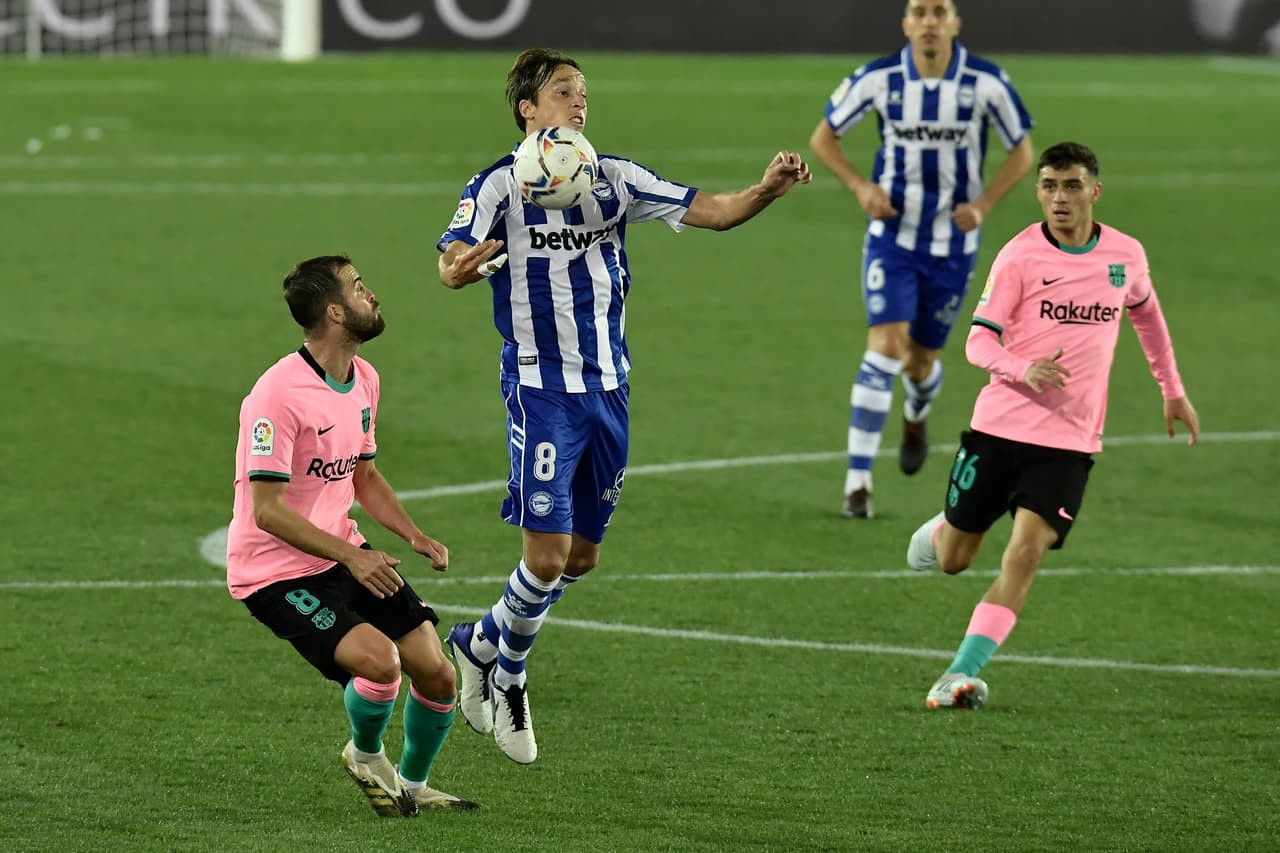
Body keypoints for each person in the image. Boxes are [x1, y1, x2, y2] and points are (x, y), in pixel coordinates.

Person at [436, 47, 811, 764]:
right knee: (544, 555)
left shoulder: (612, 178)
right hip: (542, 390)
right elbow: (451, 257)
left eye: (583, 93)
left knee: (582, 556)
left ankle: (478, 643)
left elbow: (715, 212)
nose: (579, 104)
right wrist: (459, 265)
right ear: (527, 109)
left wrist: (765, 189)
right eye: (564, 92)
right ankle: (509, 674)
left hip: (609, 388)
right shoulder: (496, 188)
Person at [904, 142, 1201, 709]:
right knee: (954, 561)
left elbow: (1148, 316)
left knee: (1026, 552)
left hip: (1068, 440)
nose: (1058, 198)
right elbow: (976, 340)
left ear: (1095, 190)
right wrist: (1023, 368)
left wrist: (1172, 390)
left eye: (1070, 186)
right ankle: (947, 525)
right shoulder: (1020, 256)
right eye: (1047, 186)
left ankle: (958, 674)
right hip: (1000, 427)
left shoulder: (1125, 255)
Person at [225, 254, 477, 815]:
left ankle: (410, 785)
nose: (372, 295)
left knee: (437, 673)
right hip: (275, 572)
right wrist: (354, 557)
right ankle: (364, 756)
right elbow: (267, 511)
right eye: (360, 287)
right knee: (380, 662)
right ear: (336, 312)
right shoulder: (277, 396)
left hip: (342, 550)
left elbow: (361, 473)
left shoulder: (363, 378)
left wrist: (411, 533)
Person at [809, 0, 1035, 519]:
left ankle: (917, 409)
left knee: (921, 361)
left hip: (952, 247)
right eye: (919, 11)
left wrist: (982, 206)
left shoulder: (985, 82)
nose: (930, 21)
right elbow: (824, 137)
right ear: (906, 23)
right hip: (893, 236)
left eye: (940, 11)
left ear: (955, 23)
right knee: (885, 347)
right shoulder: (878, 78)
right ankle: (858, 484)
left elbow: (1021, 150)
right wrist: (860, 187)